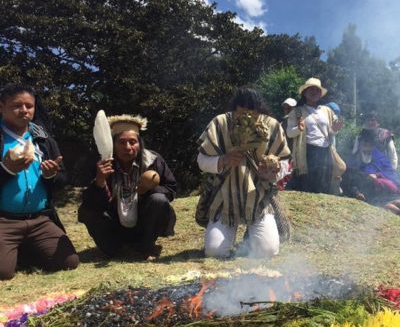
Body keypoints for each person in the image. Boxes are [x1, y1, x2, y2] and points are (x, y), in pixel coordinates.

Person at [196, 88, 291, 258]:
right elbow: (201, 161)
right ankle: (228, 230)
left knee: (268, 251)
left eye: (252, 115)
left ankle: (251, 236)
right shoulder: (220, 123)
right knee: (214, 252)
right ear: (234, 110)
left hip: (258, 198)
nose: (247, 119)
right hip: (224, 199)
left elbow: (285, 162)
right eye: (241, 114)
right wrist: (222, 160)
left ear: (259, 111)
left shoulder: (272, 125)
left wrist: (272, 171)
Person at [0, 85, 78, 280]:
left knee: (69, 262)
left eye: (29, 106)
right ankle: (14, 250)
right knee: (3, 272)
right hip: (4, 220)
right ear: (1, 107)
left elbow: (63, 179)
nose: (24, 110)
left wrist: (51, 175)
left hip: (39, 219)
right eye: (17, 105)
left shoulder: (43, 140)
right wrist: (6, 170)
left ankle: (23, 249)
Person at [79, 114, 177, 260]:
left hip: (144, 223)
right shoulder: (102, 164)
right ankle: (115, 250)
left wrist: (147, 189)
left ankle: (147, 246)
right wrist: (100, 181)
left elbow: (171, 189)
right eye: (121, 142)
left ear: (140, 143)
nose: (128, 147)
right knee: (86, 211)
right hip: (114, 225)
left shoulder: (153, 160)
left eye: (133, 142)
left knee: (158, 200)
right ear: (113, 144)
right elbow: (88, 202)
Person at [343, 129, 400, 221]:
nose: (368, 147)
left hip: (387, 190)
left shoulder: (380, 157)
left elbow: (391, 172)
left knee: (396, 201)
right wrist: (356, 192)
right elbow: (349, 180)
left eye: (370, 144)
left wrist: (378, 175)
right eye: (365, 143)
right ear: (360, 143)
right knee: (387, 205)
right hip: (370, 193)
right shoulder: (354, 159)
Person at [286, 77, 343, 194]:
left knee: (324, 183)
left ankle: (322, 208)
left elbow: (331, 132)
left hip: (325, 150)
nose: (314, 92)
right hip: (307, 151)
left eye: (317, 90)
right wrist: (299, 129)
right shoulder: (297, 111)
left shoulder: (327, 110)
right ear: (304, 93)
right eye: (311, 89)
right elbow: (289, 133)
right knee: (307, 184)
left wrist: (334, 130)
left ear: (320, 94)